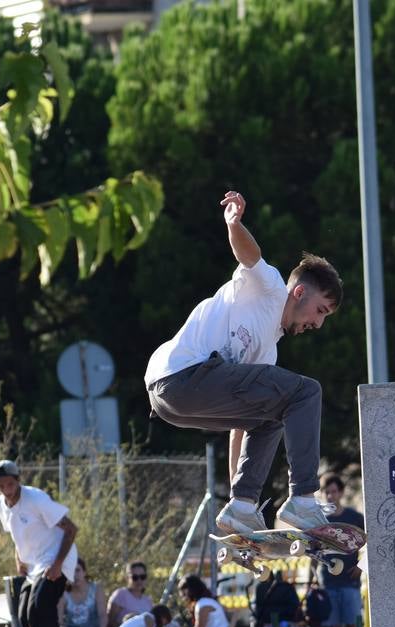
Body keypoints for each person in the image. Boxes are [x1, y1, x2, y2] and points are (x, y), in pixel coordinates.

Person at [144, 191, 344, 536]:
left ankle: (241, 506)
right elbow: (250, 256)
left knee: (272, 416)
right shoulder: (271, 289)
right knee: (306, 393)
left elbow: (241, 427)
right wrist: (234, 224)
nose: (318, 324)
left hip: (174, 401)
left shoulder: (268, 353)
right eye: (320, 311)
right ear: (300, 293)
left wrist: (239, 496)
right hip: (180, 375)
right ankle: (304, 497)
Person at [0, 459, 79, 627]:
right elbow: (15, 532)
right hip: (34, 565)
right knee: (24, 616)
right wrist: (19, 558)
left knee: (39, 609)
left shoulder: (35, 499)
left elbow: (71, 529)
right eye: (1, 486)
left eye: (10, 484)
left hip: (56, 558)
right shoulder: (0, 504)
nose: (7, 490)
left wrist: (57, 565)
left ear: (18, 480)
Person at [317, 474, 365, 627]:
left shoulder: (355, 517)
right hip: (328, 582)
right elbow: (311, 548)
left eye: (334, 491)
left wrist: (361, 567)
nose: (330, 495)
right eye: (327, 492)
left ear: (341, 493)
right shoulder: (317, 518)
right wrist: (313, 577)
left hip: (351, 582)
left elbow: (369, 543)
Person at [107, 561, 186, 627]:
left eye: (142, 577)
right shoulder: (120, 594)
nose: (139, 581)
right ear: (127, 578)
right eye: (135, 577)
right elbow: (110, 623)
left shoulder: (147, 599)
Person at [59, 560, 109, 627]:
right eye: (71, 571)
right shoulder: (63, 594)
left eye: (77, 570)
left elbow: (102, 614)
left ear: (84, 572)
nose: (75, 575)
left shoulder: (96, 589)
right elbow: (59, 621)